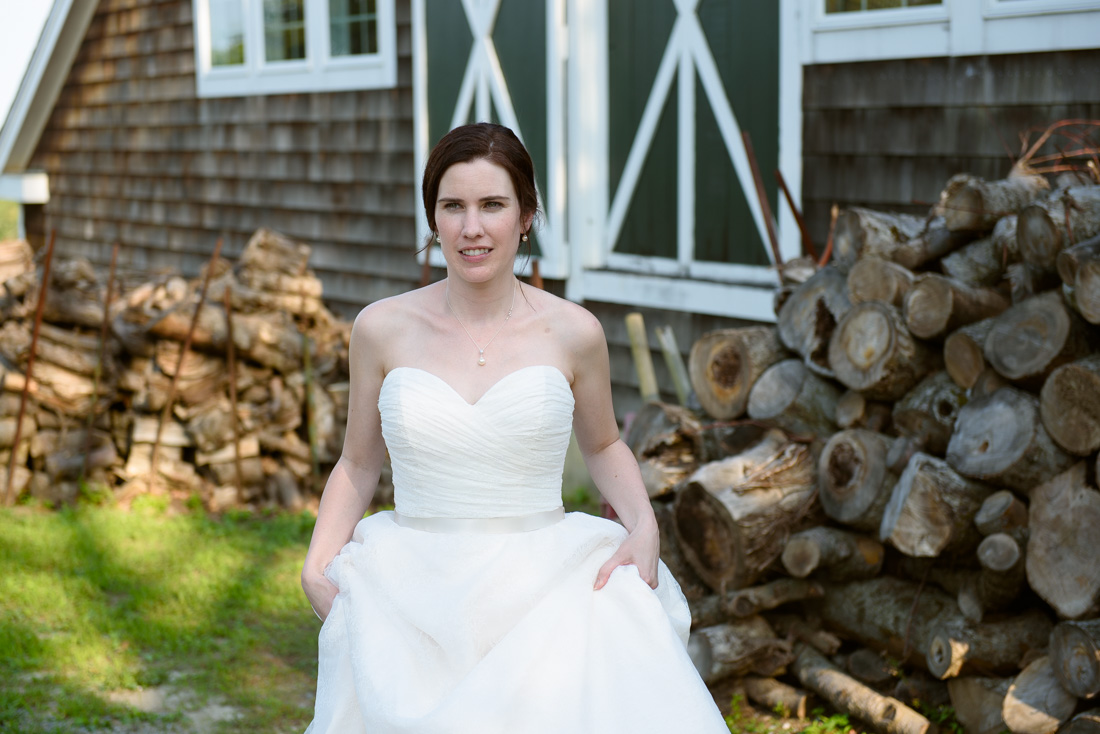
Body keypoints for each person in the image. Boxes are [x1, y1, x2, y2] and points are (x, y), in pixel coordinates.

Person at [300, 122, 729, 732]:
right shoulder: (380, 329)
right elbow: (358, 462)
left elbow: (604, 444)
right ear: (433, 220)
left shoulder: (573, 331)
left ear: (526, 215)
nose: (471, 228)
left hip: (544, 589)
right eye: (453, 207)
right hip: (409, 590)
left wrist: (644, 524)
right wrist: (318, 560)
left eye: (492, 205)